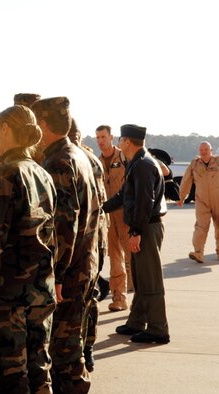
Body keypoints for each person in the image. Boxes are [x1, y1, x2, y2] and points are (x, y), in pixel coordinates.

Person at [0, 105, 56, 393]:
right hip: (40, 288)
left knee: (9, 375)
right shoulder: (41, 173)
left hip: (7, 295)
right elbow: (52, 236)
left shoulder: (6, 175)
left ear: (6, 130)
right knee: (38, 370)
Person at [31, 97, 99, 393]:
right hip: (85, 263)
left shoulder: (58, 161)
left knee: (65, 353)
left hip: (69, 272)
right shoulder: (78, 155)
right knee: (71, 346)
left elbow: (63, 226)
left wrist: (56, 274)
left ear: (44, 125)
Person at [103, 124, 170, 344]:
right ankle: (137, 322)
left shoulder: (142, 165)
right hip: (145, 227)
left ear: (127, 142)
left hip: (146, 228)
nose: (119, 143)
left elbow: (144, 201)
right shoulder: (138, 163)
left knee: (150, 280)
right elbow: (124, 195)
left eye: (121, 139)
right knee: (141, 278)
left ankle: (158, 329)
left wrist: (136, 232)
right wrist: (100, 208)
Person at [69, 119, 107, 373]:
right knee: (90, 295)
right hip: (97, 236)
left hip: (82, 239)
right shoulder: (91, 158)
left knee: (76, 300)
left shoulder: (69, 159)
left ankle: (79, 351)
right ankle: (88, 349)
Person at [95, 125, 132, 304]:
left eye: (103, 137)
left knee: (134, 259)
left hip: (126, 215)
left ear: (111, 137)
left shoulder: (125, 158)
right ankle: (119, 297)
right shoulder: (96, 163)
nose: (100, 141)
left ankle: (141, 300)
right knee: (115, 258)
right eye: (98, 138)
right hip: (108, 218)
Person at [177, 141, 219, 264]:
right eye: (201, 150)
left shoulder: (217, 161)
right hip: (202, 200)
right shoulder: (195, 164)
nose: (203, 152)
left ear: (211, 150)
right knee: (200, 227)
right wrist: (181, 197)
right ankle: (198, 252)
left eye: (206, 149)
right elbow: (186, 181)